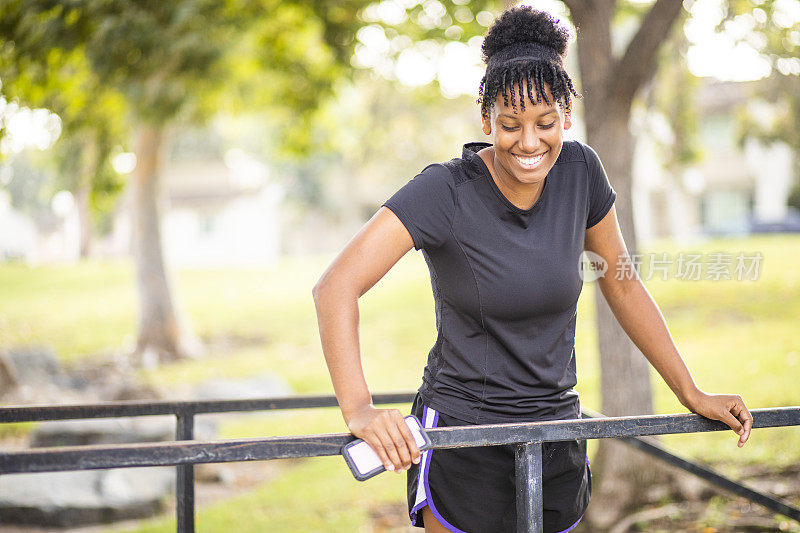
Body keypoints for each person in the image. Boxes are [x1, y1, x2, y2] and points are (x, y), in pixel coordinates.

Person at [312, 6, 753, 533]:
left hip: (557, 435)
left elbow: (621, 281)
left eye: (545, 123)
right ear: (486, 121)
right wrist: (359, 411)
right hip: (464, 438)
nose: (528, 142)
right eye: (509, 124)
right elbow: (335, 286)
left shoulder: (582, 170)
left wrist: (691, 392)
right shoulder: (444, 191)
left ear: (566, 114)